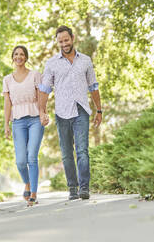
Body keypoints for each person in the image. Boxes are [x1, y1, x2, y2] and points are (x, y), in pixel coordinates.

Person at [39, 25, 102, 200]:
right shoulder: (51, 63)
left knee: (82, 150)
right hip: (61, 112)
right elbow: (44, 89)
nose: (64, 43)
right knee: (66, 153)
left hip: (81, 109)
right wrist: (42, 111)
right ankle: (72, 188)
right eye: (61, 41)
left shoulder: (86, 61)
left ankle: (84, 188)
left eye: (66, 40)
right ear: (57, 42)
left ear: (73, 38)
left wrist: (99, 109)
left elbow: (93, 86)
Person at [3, 45, 45, 206]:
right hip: (18, 122)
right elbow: (7, 103)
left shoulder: (35, 75)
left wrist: (43, 113)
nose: (19, 56)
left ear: (26, 58)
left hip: (35, 119)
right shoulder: (7, 80)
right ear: (13, 57)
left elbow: (41, 96)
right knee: (21, 161)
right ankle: (26, 183)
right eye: (16, 54)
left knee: (32, 157)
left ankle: (33, 193)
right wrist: (6, 124)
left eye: (22, 54)